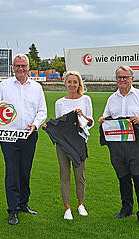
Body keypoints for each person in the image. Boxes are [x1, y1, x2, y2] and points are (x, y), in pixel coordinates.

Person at [0, 53, 47, 225]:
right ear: (13, 67)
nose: (20, 68)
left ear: (28, 67)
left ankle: (23, 203)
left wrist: (35, 124)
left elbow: (42, 111)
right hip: (8, 136)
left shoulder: (36, 87)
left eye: (23, 65)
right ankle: (13, 210)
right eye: (17, 65)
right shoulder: (4, 85)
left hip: (29, 136)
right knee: (12, 172)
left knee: (25, 171)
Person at [98, 65, 139, 229]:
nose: (122, 80)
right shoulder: (112, 98)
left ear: (132, 78)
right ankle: (126, 209)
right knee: (123, 178)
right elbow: (107, 116)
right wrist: (103, 119)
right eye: (119, 77)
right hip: (118, 144)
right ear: (116, 79)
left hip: (137, 143)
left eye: (125, 77)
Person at [44, 71, 93, 220]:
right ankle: (67, 207)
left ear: (79, 84)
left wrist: (81, 116)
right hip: (63, 145)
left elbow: (90, 122)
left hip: (79, 143)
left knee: (80, 176)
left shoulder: (86, 99)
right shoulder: (60, 102)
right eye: (69, 82)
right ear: (65, 83)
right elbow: (60, 124)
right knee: (64, 175)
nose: (72, 85)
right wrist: (49, 126)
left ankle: (80, 204)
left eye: (75, 82)